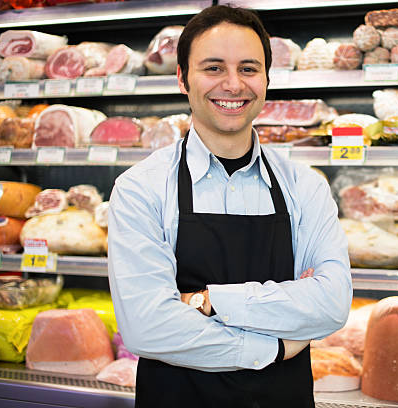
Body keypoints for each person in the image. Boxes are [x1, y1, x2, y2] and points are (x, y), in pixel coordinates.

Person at [107, 5, 352, 407]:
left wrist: (207, 301)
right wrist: (273, 346)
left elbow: (331, 305)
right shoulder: (141, 188)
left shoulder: (305, 187)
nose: (234, 84)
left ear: (267, 80)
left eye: (249, 69)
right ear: (183, 79)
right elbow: (147, 327)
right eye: (214, 68)